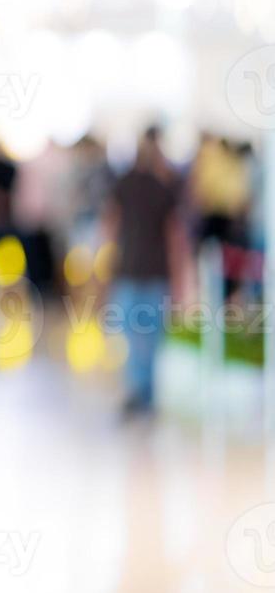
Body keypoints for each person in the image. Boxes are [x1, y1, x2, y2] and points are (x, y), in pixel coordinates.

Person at [104, 128, 182, 416]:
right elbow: (175, 239)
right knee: (148, 336)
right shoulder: (162, 189)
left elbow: (110, 226)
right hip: (149, 273)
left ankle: (141, 391)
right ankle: (143, 391)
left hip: (132, 271)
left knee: (134, 334)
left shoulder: (128, 186)